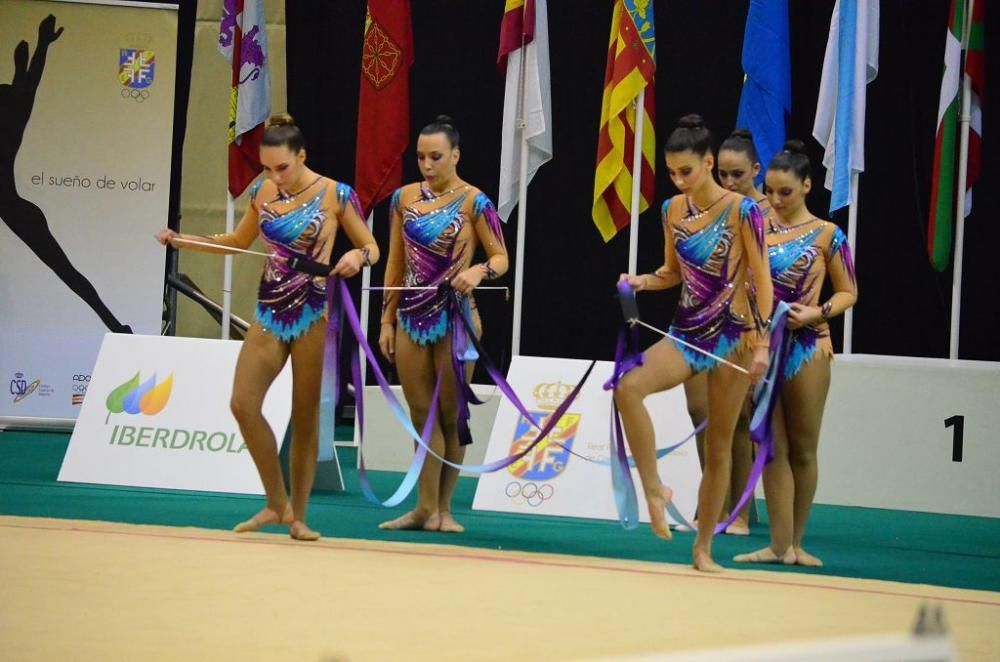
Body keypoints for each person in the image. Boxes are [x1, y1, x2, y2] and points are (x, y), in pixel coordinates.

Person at [155, 113, 378, 540]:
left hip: (314, 313)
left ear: (301, 156)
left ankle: (299, 516)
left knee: (306, 418)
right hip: (270, 311)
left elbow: (371, 246)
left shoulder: (336, 194)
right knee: (242, 403)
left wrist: (358, 258)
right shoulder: (262, 191)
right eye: (268, 168)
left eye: (283, 167)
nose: (276, 176)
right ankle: (275, 502)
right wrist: (183, 240)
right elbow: (238, 243)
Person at [614, 114, 772, 572]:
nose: (679, 180)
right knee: (628, 387)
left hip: (734, 335)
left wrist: (760, 344)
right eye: (671, 172)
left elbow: (762, 280)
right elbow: (672, 273)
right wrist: (642, 281)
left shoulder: (744, 211)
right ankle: (654, 488)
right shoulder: (671, 211)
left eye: (686, 171)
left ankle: (703, 549)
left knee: (720, 446)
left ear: (707, 163)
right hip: (687, 331)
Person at [377, 116, 508, 533]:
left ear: (456, 155)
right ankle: (424, 509)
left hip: (456, 320)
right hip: (412, 319)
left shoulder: (475, 202)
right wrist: (386, 319)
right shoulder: (402, 200)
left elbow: (502, 258)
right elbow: (395, 264)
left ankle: (444, 509)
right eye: (420, 157)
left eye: (436, 156)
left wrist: (479, 271)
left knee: (451, 416)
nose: (427, 165)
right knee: (422, 416)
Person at [735, 140, 857, 567]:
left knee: (802, 448)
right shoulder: (756, 228)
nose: (774, 200)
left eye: (785, 192)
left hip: (807, 347)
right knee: (770, 447)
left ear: (807, 185)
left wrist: (817, 311)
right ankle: (777, 544)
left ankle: (798, 544)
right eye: (768, 191)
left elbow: (849, 292)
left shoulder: (828, 234)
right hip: (763, 346)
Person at [1, 15, 132, 333]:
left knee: (64, 269)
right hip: (15, 207)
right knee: (65, 271)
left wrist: (39, 49)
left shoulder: (13, 118)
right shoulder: (14, 118)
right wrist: (41, 45)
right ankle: (115, 325)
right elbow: (28, 88)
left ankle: (115, 326)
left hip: (13, 207)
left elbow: (27, 88)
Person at [682, 128, 772, 536]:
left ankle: (740, 512)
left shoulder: (768, 214)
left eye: (739, 175)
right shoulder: (712, 208)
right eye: (724, 174)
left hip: (750, 327)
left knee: (737, 420)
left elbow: (776, 278)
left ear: (756, 169)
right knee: (702, 414)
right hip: (703, 323)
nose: (730, 182)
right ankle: (711, 506)